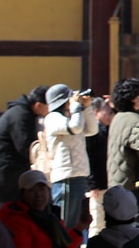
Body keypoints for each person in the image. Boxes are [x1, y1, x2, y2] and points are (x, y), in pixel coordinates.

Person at [0, 86, 48, 211]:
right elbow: (25, 146)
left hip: (8, 174)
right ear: (38, 105)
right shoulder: (20, 114)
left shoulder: (24, 113)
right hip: (1, 175)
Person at [106, 79, 139, 235]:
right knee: (137, 228)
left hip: (116, 182)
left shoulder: (117, 118)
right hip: (132, 185)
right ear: (132, 98)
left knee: (116, 229)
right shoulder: (135, 121)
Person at [41, 85, 98, 231]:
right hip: (66, 178)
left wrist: (86, 108)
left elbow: (92, 130)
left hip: (79, 176)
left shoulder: (72, 116)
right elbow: (75, 128)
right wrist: (76, 107)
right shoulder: (52, 118)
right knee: (65, 226)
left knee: (77, 226)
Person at [85, 98, 114, 233]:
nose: (109, 115)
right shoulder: (91, 131)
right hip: (97, 185)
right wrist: (93, 184)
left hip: (107, 181)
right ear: (96, 112)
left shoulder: (107, 129)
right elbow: (88, 158)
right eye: (106, 111)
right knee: (97, 221)